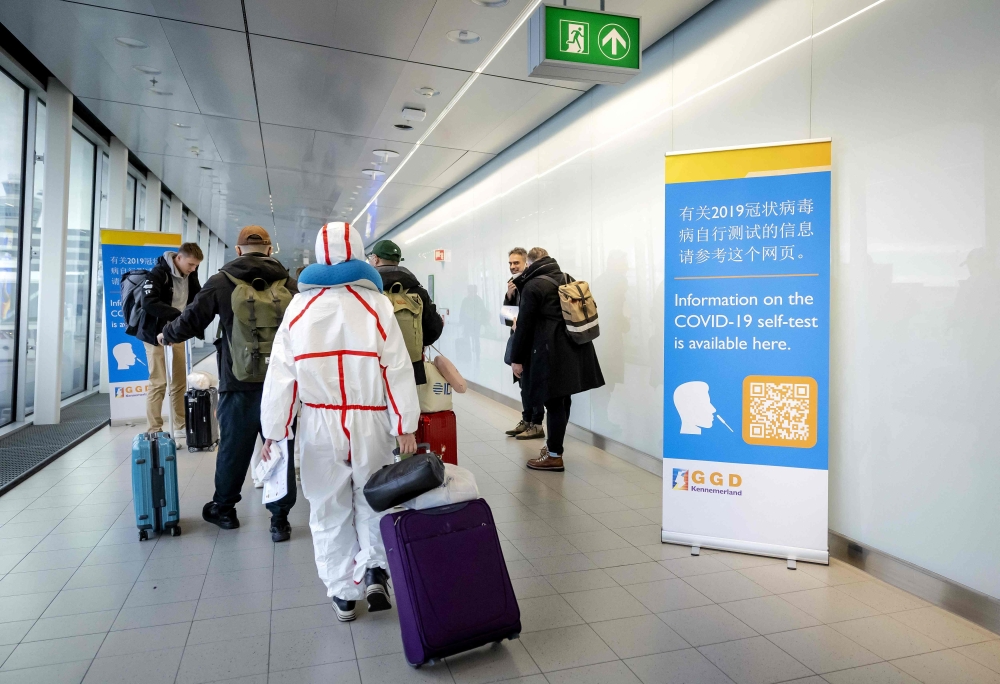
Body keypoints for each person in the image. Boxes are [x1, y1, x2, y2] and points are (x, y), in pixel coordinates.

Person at [260, 223, 420, 622]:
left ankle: (343, 594)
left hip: (318, 420)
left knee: (327, 506)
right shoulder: (378, 304)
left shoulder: (298, 309)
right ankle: (374, 571)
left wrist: (274, 431)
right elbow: (396, 368)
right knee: (375, 497)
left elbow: (283, 375)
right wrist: (405, 424)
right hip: (371, 420)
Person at [159, 226, 299, 542]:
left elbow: (191, 320)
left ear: (237, 251)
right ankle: (279, 519)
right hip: (281, 383)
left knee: (234, 448)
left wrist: (167, 335)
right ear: (269, 249)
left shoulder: (222, 281)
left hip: (238, 381)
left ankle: (224, 510)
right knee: (279, 446)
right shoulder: (290, 285)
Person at [509, 247, 605, 471]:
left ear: (530, 263)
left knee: (552, 403)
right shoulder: (565, 278)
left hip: (549, 352)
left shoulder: (533, 285)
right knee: (563, 400)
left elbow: (523, 327)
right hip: (574, 349)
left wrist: (516, 359)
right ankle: (554, 447)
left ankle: (554, 455)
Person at [138, 242, 202, 442]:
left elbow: (197, 298)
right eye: (190, 264)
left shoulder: (191, 273)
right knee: (159, 383)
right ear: (179, 258)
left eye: (196, 266)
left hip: (176, 333)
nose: (193, 269)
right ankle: (154, 429)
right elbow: (147, 302)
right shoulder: (158, 274)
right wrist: (177, 315)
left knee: (179, 382)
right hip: (155, 334)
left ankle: (180, 424)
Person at [366, 239, 443, 384]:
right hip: (411, 367)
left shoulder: (367, 290)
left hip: (373, 368)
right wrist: (418, 342)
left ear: (375, 259)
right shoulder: (418, 291)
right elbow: (434, 328)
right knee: (408, 405)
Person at [503, 248, 544, 440]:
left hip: (532, 343)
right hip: (518, 339)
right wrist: (509, 296)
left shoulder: (532, 283)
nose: (512, 267)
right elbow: (506, 320)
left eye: (516, 263)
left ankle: (536, 423)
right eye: (510, 263)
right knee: (523, 383)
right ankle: (527, 420)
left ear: (526, 263)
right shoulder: (514, 286)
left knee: (532, 384)